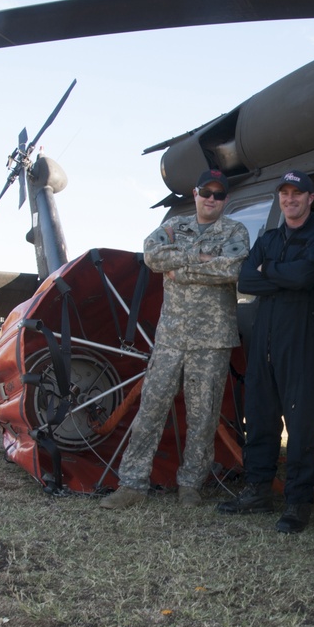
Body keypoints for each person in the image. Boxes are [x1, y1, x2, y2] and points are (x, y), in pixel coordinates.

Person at [101, 169, 249, 510]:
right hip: (171, 337)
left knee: (203, 415)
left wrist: (180, 266)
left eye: (219, 193)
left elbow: (234, 268)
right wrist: (200, 258)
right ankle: (132, 484)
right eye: (206, 191)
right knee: (151, 408)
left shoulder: (235, 230)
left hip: (212, 340)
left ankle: (190, 486)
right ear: (195, 193)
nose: (211, 198)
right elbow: (152, 256)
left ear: (225, 199)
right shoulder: (173, 228)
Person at [217, 170, 314, 534]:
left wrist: (272, 271)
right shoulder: (267, 239)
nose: (290, 199)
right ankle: (257, 490)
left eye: (297, 193)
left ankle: (298, 502)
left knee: (300, 428)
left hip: (301, 342)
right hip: (264, 341)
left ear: (310, 198)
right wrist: (280, 273)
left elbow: (305, 278)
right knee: (260, 418)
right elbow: (247, 279)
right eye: (284, 193)